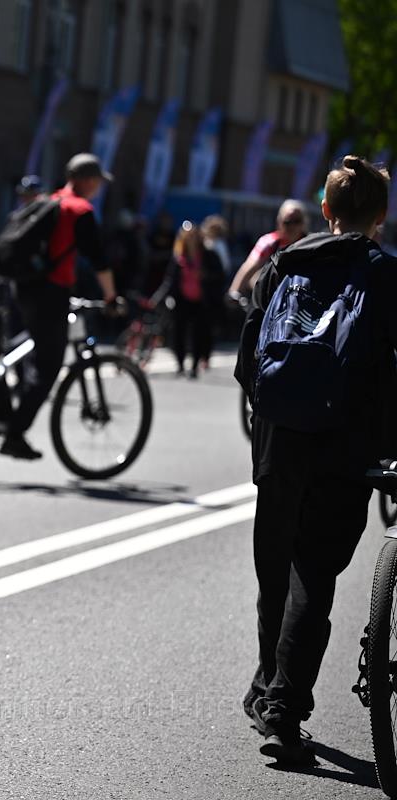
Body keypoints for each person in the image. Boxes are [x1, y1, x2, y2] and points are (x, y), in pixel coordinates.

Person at [235, 156, 397, 765]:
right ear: (381, 216)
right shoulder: (385, 275)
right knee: (314, 574)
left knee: (275, 570)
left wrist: (275, 416)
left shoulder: (281, 265)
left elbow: (248, 363)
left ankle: (266, 687)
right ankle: (282, 707)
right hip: (346, 442)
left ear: (325, 210)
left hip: (278, 440)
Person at [0, 153, 118, 460]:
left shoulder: (49, 201)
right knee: (49, 367)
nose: (98, 188)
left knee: (32, 342)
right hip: (50, 291)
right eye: (98, 182)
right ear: (88, 181)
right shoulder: (79, 210)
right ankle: (14, 434)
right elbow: (98, 258)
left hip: (23, 286)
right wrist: (110, 297)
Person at [150, 220, 224, 378]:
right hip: (181, 300)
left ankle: (195, 365)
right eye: (187, 236)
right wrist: (157, 298)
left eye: (193, 236)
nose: (191, 239)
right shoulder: (179, 257)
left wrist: (205, 275)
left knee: (199, 333)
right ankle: (180, 364)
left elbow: (220, 276)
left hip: (202, 301)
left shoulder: (208, 255)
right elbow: (169, 281)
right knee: (178, 332)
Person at [228, 199, 307, 297]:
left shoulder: (310, 245)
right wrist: (234, 293)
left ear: (304, 223)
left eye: (297, 221)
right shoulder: (269, 242)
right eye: (287, 222)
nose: (292, 226)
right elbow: (249, 267)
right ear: (279, 222)